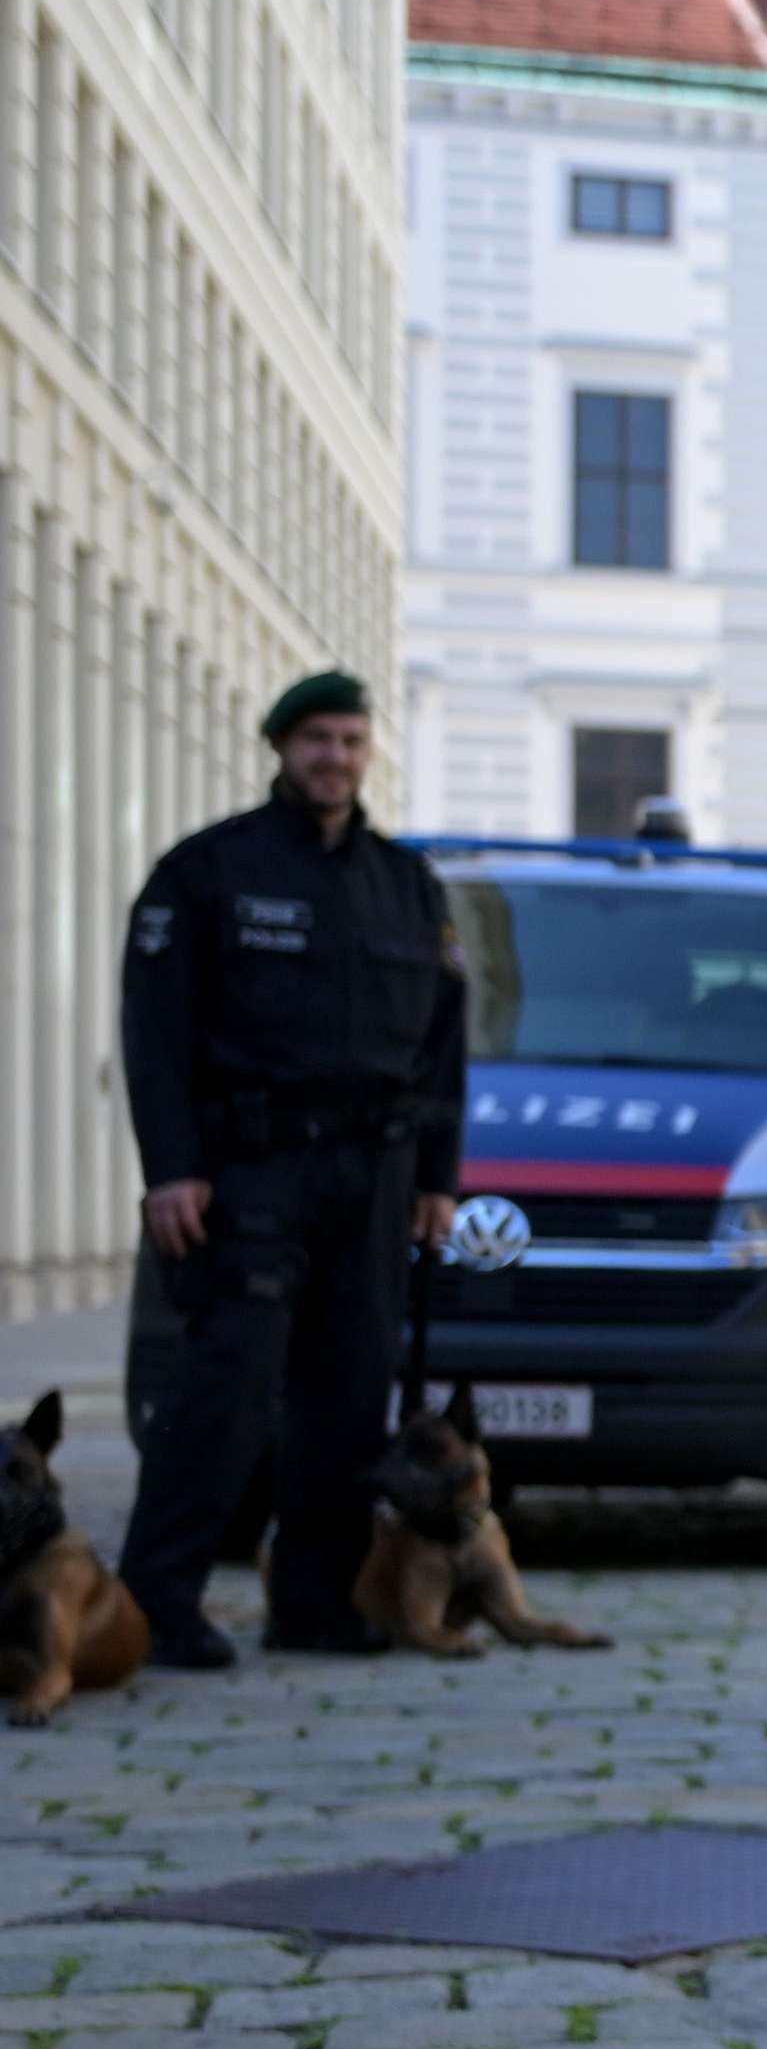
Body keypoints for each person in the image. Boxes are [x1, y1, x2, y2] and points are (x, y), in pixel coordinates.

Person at [116, 673, 466, 1668]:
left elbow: (444, 1046)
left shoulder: (407, 883)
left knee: (350, 1395)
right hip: (249, 1173)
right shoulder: (208, 870)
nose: (335, 757)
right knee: (223, 1391)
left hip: (376, 1174)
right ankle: (158, 1601)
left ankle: (316, 1601)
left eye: (351, 740)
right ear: (280, 746)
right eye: (316, 738)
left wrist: (439, 1178)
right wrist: (171, 1169)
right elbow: (155, 1035)